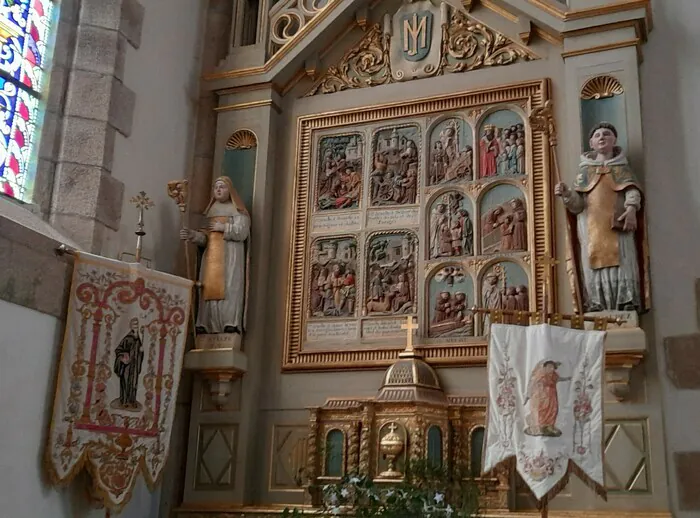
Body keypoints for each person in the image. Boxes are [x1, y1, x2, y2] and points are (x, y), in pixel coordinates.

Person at [554, 122, 649, 312]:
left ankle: (625, 303)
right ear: (591, 142)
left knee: (623, 262)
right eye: (597, 135)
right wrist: (566, 194)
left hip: (619, 227)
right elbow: (577, 206)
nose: (602, 137)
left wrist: (631, 210)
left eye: (607, 134)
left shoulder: (622, 169)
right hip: (591, 230)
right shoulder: (585, 172)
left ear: (614, 140)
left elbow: (633, 192)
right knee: (593, 265)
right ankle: (597, 303)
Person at [181, 176, 250, 334]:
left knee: (230, 288)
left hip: (230, 257)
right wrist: (193, 235)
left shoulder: (239, 212)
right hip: (212, 257)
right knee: (208, 287)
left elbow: (242, 232)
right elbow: (205, 238)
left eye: (222, 187)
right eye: (216, 187)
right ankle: (206, 324)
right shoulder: (211, 212)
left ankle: (229, 323)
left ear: (230, 191)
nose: (218, 190)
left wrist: (224, 227)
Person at [524, 360, 570, 437]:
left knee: (553, 410)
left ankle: (549, 426)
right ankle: (540, 425)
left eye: (552, 367)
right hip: (542, 396)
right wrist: (530, 395)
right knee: (542, 410)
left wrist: (567, 379)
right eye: (549, 367)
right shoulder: (541, 375)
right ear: (545, 367)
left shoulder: (553, 375)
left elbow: (559, 379)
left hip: (552, 396)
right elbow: (534, 383)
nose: (551, 368)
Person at [113, 318, 144, 409]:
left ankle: (132, 400)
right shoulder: (127, 338)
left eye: (137, 325)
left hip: (134, 367)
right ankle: (124, 400)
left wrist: (141, 352)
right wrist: (123, 356)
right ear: (131, 326)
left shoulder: (138, 340)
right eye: (134, 325)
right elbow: (118, 350)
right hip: (127, 366)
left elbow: (139, 353)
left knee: (134, 383)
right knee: (126, 382)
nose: (135, 326)